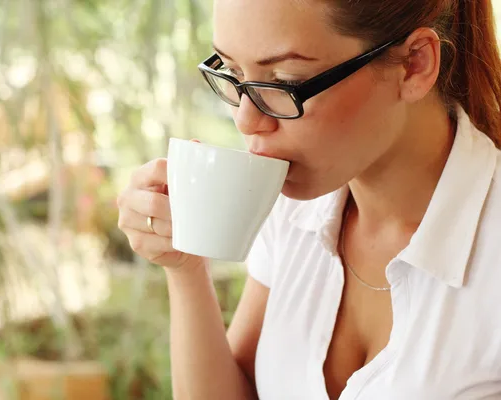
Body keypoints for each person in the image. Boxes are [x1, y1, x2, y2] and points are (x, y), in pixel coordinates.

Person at [117, 0, 501, 398]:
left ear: (414, 64)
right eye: (232, 72)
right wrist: (185, 269)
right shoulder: (292, 207)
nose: (246, 121)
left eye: (285, 81)